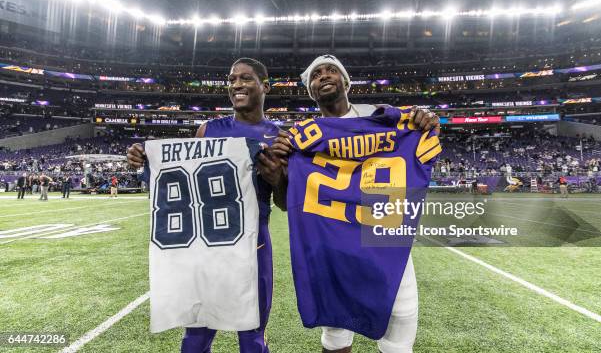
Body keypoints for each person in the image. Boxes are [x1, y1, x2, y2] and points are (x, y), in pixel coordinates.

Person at [271, 54, 439, 353]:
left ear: (345, 81)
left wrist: (425, 121)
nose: (323, 76)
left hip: (382, 240)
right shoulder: (299, 139)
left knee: (399, 332)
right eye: (316, 75)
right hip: (332, 244)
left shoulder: (382, 119)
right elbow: (285, 203)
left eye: (331, 71)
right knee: (336, 335)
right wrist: (280, 171)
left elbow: (419, 137)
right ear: (311, 89)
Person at [127, 58, 286, 353]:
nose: (237, 84)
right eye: (232, 79)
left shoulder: (280, 137)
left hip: (253, 246)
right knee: (195, 340)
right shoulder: (207, 130)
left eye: (246, 78)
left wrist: (277, 178)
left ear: (265, 86)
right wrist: (143, 158)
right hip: (206, 248)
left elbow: (286, 202)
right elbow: (183, 176)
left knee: (252, 340)